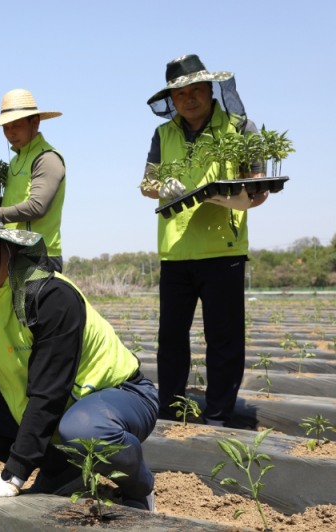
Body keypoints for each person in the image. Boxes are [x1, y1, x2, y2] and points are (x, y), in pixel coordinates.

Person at [0, 196, 158, 509]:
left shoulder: (48, 294)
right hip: (44, 404)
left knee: (85, 430)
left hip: (117, 395)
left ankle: (138, 488)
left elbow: (48, 392)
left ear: (4, 246)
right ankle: (62, 470)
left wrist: (11, 479)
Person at [140, 54, 268, 427]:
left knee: (224, 339)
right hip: (175, 253)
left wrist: (229, 196)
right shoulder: (163, 134)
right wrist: (161, 186)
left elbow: (258, 186)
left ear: (211, 90)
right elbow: (147, 183)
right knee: (172, 339)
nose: (189, 98)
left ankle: (218, 414)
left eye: (197, 90)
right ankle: (170, 410)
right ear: (171, 99)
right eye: (181, 93)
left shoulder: (241, 128)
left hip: (222, 251)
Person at [0, 88, 66, 273]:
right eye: (6, 127)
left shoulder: (46, 158)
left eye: (16, 125)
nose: (10, 133)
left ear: (35, 122)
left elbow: (37, 206)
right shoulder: (15, 161)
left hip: (41, 256)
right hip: (15, 252)